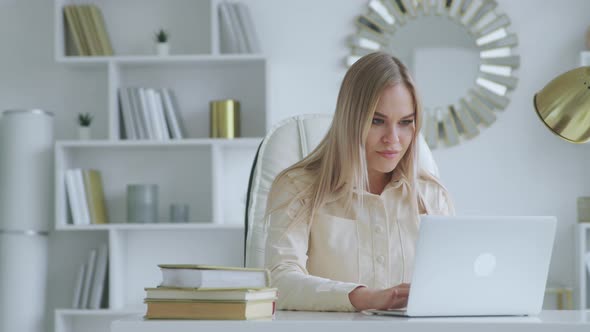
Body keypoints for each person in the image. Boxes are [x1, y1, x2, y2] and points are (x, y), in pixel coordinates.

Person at [264, 51, 455, 312]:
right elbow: (279, 283)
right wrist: (362, 297)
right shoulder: (298, 188)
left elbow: (454, 285)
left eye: (405, 123)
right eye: (377, 121)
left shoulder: (433, 196)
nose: (393, 139)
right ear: (351, 120)